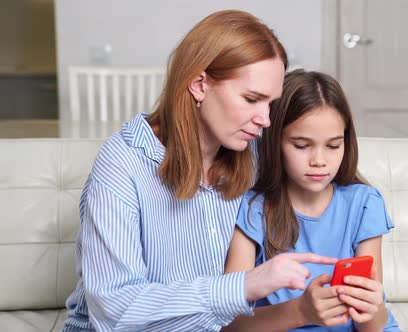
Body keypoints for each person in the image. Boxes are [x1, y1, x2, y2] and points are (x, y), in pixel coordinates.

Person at [62, 10, 337, 332]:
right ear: (198, 85)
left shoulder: (252, 151)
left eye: (270, 104)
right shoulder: (123, 164)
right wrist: (244, 287)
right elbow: (115, 312)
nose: (266, 119)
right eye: (251, 99)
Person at [224, 69, 400, 331]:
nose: (319, 161)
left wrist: (369, 310)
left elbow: (372, 325)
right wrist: (301, 311)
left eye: (333, 146)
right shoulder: (253, 209)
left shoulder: (364, 203)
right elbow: (229, 323)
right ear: (275, 142)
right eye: (302, 145)